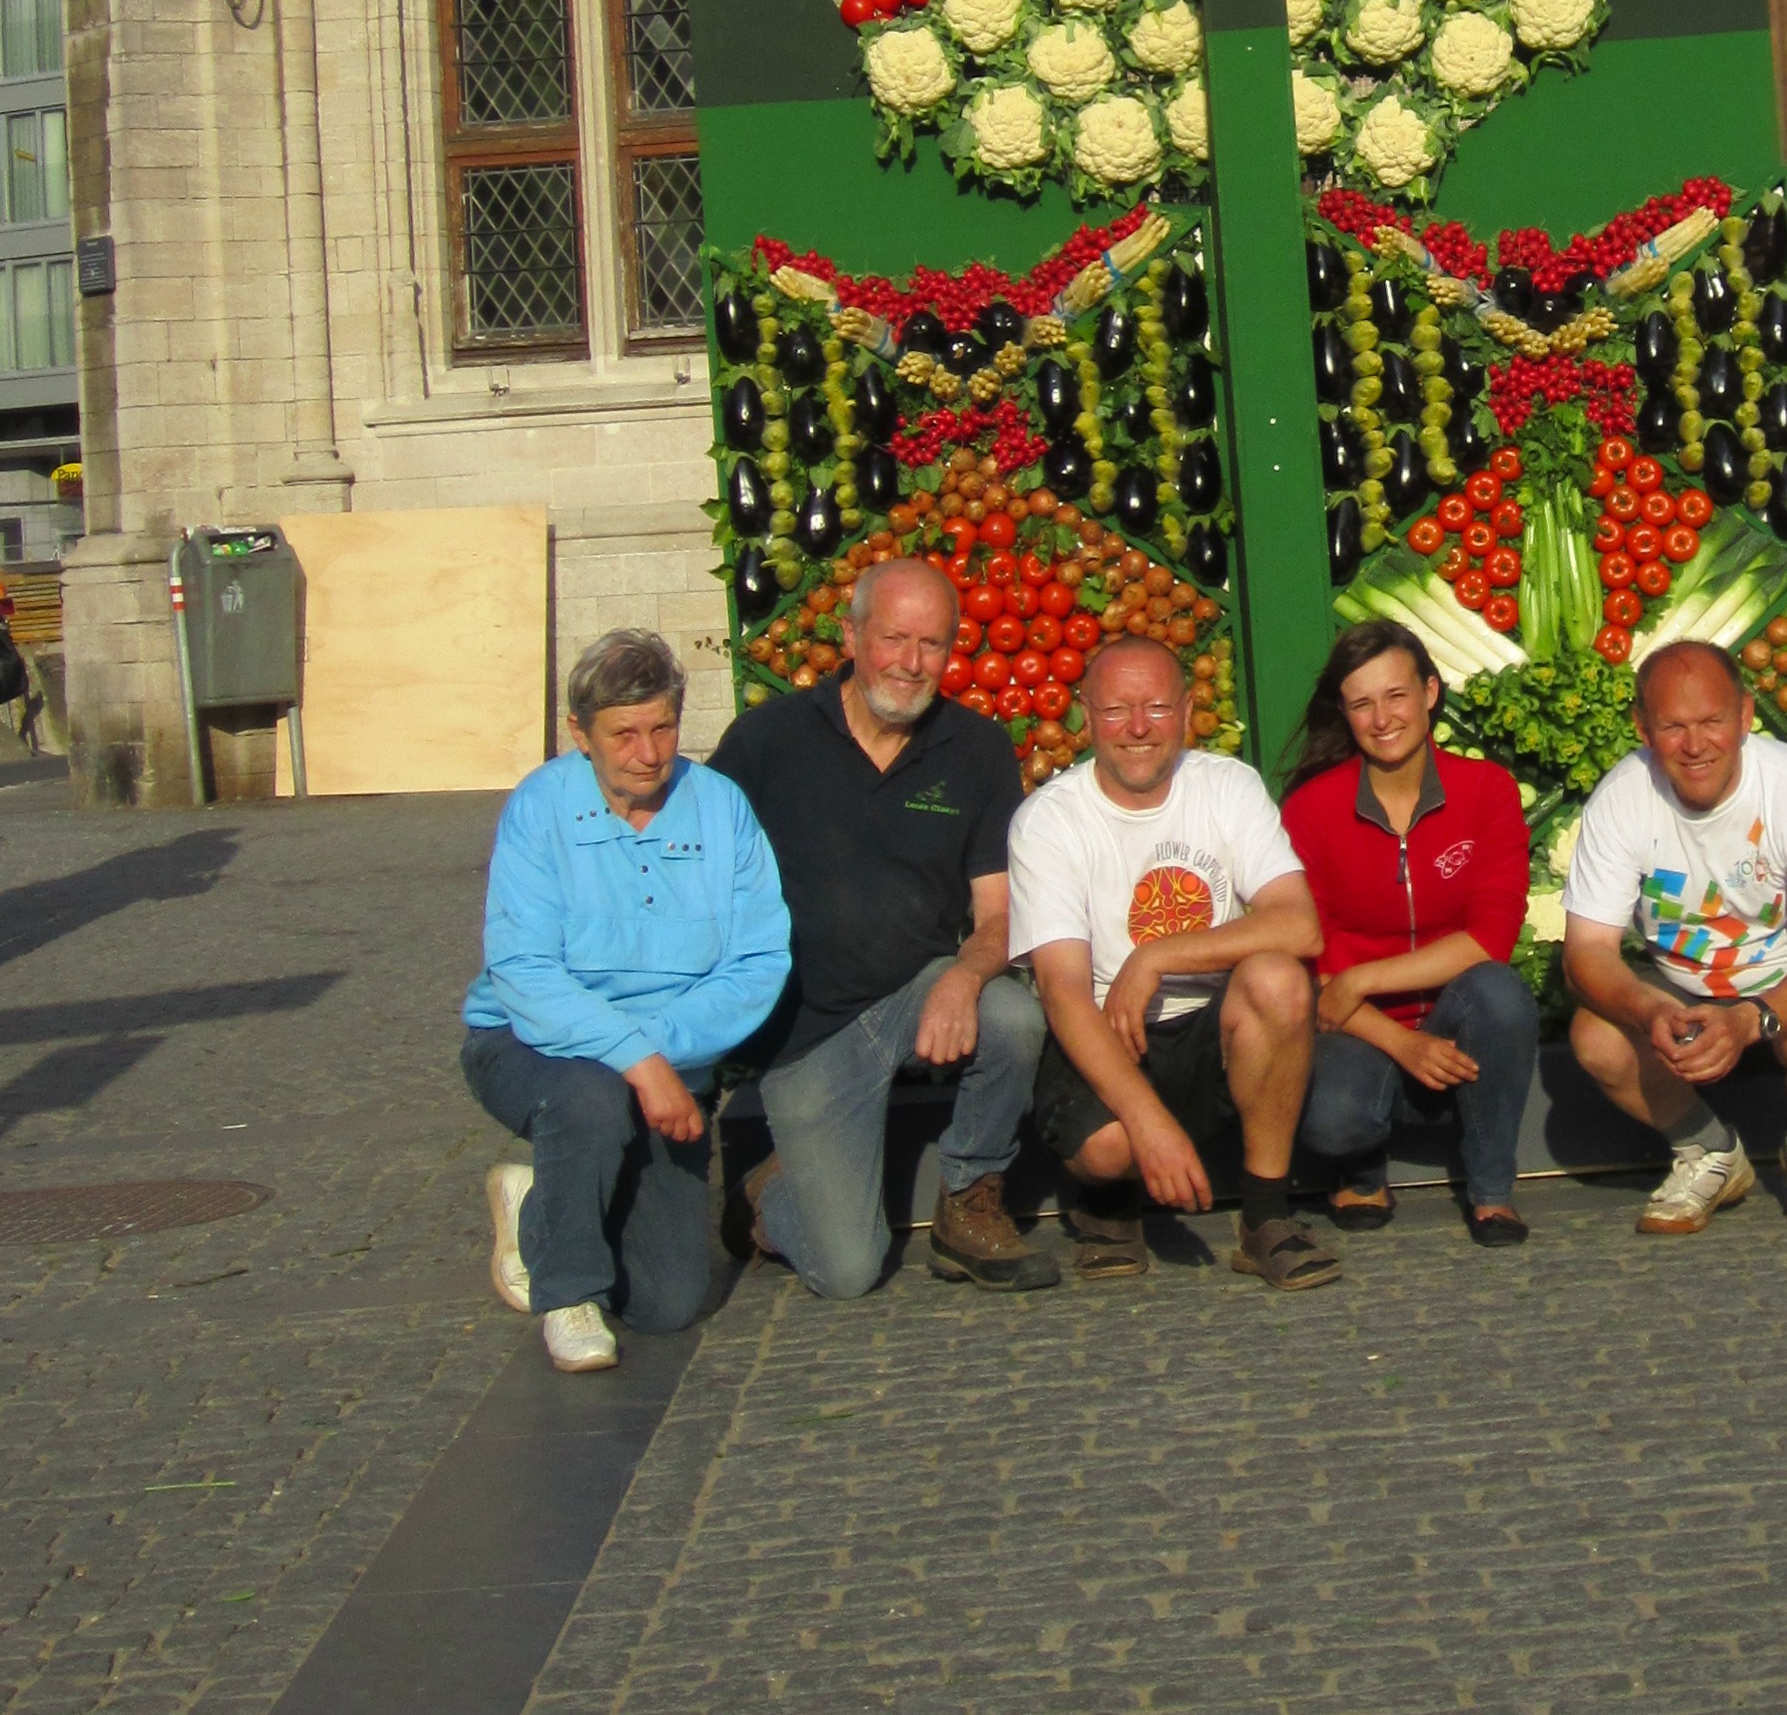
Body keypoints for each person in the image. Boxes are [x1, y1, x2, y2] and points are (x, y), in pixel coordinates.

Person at [711, 556, 1055, 1295]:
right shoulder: (766, 742)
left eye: (932, 644)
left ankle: (969, 1198)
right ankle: (768, 1191)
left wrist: (966, 975)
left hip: (916, 993)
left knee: (1013, 1017)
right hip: (807, 1036)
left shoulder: (977, 750)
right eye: (894, 638)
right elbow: (700, 880)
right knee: (848, 1272)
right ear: (852, 634)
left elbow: (997, 912)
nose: (911, 663)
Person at [464, 628, 791, 1370]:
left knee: (668, 1303)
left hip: (674, 1061)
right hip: (532, 1044)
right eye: (624, 734)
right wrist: (636, 1059)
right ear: (581, 734)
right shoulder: (540, 808)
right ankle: (566, 1292)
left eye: (663, 727)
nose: (648, 752)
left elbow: (757, 961)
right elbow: (523, 971)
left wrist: (662, 1050)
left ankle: (540, 1205)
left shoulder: (721, 809)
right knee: (588, 1100)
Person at [1005, 637, 1331, 1289]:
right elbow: (1063, 990)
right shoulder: (1049, 820)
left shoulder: (1227, 787)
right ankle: (1106, 1206)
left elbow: (1299, 925)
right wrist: (1149, 1126)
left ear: (1186, 712)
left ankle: (1265, 1216)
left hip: (1210, 1021)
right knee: (1109, 1147)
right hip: (1104, 1027)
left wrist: (1156, 955)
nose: (1137, 728)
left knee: (1279, 979)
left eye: (1156, 707)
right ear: (1086, 716)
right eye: (1118, 709)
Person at [1561, 638, 1787, 1236]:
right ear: (1642, 727)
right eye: (1671, 727)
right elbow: (1585, 953)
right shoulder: (1621, 800)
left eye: (1712, 722)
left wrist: (1749, 1020)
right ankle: (1707, 1151)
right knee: (1596, 1038)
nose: (1694, 746)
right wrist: (1646, 1005)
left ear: (1744, 716)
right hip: (1678, 980)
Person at [1280, 619, 1541, 1249]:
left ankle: (1490, 1188)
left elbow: (1490, 938)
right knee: (1333, 1123)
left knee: (1499, 993)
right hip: (1356, 1024)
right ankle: (1361, 1169)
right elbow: (1312, 964)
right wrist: (1400, 1040)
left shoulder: (1487, 791)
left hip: (1450, 1008)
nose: (1381, 717)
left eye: (1395, 695)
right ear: (1343, 713)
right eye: (1361, 703)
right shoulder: (1310, 810)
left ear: (1429, 692)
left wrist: (1365, 976)